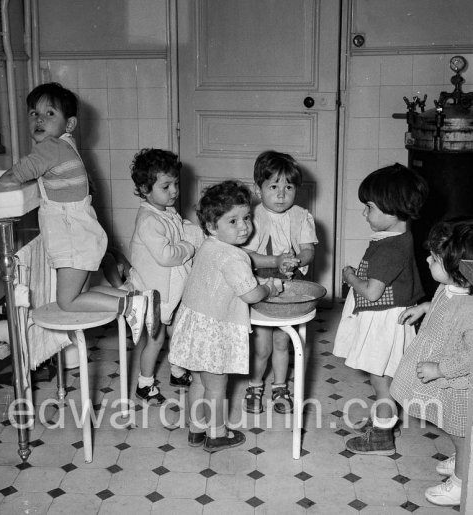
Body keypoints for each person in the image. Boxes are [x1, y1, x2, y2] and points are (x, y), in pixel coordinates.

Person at [0, 82, 158, 344]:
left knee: (68, 302)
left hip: (73, 242)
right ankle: (140, 298)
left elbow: (15, 175)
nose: (39, 119)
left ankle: (130, 307)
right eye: (34, 113)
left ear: (69, 125)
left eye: (50, 114)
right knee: (83, 295)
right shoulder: (66, 145)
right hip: (82, 237)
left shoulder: (50, 148)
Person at [168, 180, 282, 452]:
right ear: (211, 226)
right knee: (217, 387)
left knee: (198, 381)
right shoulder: (234, 257)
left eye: (247, 217)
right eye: (233, 221)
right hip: (214, 333)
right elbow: (251, 294)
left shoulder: (208, 246)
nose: (244, 226)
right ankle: (217, 433)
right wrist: (268, 287)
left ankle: (196, 429)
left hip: (193, 326)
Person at [333, 163, 428, 455]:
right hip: (388, 318)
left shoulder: (391, 247)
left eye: (370, 207)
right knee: (384, 376)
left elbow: (372, 293)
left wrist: (350, 277)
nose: (365, 213)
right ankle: (382, 421)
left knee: (381, 382)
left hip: (384, 322)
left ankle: (382, 436)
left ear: (392, 209)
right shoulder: (397, 239)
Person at [391, 219, 473, 507]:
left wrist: (439, 370)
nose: (427, 259)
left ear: (459, 270)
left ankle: (463, 482)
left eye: (435, 259)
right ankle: (465, 460)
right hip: (444, 376)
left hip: (459, 384)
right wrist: (425, 307)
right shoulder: (452, 287)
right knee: (454, 428)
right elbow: (442, 302)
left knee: (462, 432)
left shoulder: (469, 308)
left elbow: (471, 356)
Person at [243, 150, 318, 415]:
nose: (281, 194)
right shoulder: (251, 217)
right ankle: (254, 385)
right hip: (261, 288)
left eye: (288, 187)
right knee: (262, 345)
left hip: (290, 288)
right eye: (273, 186)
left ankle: (279, 385)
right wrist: (275, 261)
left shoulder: (300, 215)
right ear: (258, 189)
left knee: (282, 342)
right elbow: (247, 255)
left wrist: (297, 259)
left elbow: (309, 249)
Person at [128, 148, 204, 405]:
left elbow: (180, 228)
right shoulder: (149, 220)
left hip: (170, 290)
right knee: (156, 338)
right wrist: (188, 247)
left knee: (179, 331)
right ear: (144, 189)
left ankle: (177, 371)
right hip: (153, 293)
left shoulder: (166, 211)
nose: (174, 191)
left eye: (175, 184)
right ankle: (144, 384)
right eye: (166, 186)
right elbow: (166, 255)